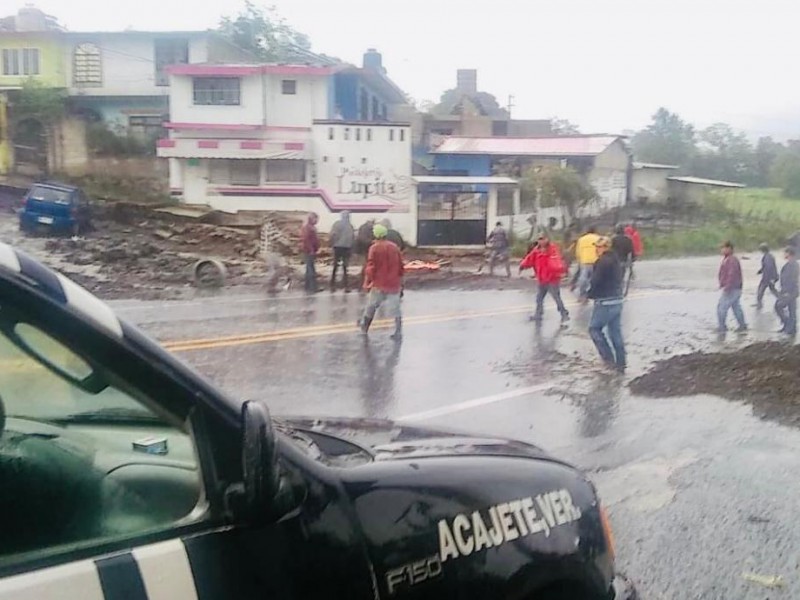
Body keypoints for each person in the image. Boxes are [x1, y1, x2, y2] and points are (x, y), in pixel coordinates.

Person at [359, 224, 404, 340]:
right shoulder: (394, 247)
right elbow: (401, 266)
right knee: (395, 308)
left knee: (371, 306)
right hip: (394, 283)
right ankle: (398, 331)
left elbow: (370, 268)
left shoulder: (374, 248)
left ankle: (365, 328)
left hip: (379, 283)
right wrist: (401, 282)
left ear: (375, 234)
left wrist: (367, 282)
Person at [587, 236, 626, 372]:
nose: (596, 249)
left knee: (594, 329)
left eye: (598, 247)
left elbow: (595, 280)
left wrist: (589, 294)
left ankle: (608, 360)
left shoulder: (602, 261)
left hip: (605, 301)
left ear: (605, 247)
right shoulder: (616, 260)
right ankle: (621, 363)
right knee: (615, 332)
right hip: (617, 299)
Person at [519, 235, 570, 323]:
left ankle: (564, 313)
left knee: (556, 298)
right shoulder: (536, 250)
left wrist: (563, 271)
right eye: (539, 239)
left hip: (552, 279)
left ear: (547, 239)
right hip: (542, 279)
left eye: (543, 239)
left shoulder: (552, 249)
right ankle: (538, 314)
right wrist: (522, 265)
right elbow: (529, 259)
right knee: (539, 298)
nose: (541, 241)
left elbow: (558, 262)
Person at [717, 241, 747, 333]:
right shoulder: (728, 259)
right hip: (735, 288)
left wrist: (727, 286)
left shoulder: (731, 260)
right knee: (736, 307)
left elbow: (731, 274)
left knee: (721, 307)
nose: (722, 250)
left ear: (729, 248)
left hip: (732, 288)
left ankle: (722, 327)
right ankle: (742, 325)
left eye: (723, 248)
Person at [329, 211, 355, 292]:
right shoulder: (350, 226)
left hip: (338, 247)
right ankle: (346, 286)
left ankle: (333, 285)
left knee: (336, 266)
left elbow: (332, 235)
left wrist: (332, 244)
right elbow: (352, 238)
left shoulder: (337, 224)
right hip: (346, 248)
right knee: (345, 267)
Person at [775, 246, 799, 335]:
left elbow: (792, 279)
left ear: (789, 253)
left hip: (790, 291)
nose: (784, 254)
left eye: (785, 252)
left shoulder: (793, 264)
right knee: (791, 309)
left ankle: (789, 326)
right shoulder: (790, 264)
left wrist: (786, 292)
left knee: (778, 306)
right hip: (789, 291)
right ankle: (790, 327)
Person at [574, 225, 601, 301]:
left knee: (583, 278)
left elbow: (578, 252)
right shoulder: (598, 238)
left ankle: (582, 294)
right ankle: (596, 294)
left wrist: (579, 259)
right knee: (595, 278)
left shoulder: (581, 239)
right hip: (596, 261)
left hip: (585, 261)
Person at [299, 212, 320, 293]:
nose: (317, 221)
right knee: (311, 269)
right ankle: (312, 287)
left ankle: (307, 286)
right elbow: (306, 240)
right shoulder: (308, 228)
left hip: (310, 250)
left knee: (309, 269)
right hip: (309, 251)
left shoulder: (309, 227)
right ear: (312, 218)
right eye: (316, 219)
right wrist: (311, 250)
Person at [755, 242, 779, 309]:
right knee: (773, 290)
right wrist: (760, 271)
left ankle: (759, 304)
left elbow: (769, 267)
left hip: (767, 278)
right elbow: (766, 267)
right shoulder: (769, 256)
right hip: (770, 277)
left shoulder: (767, 257)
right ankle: (782, 300)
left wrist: (770, 279)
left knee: (760, 290)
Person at [354, 219, 376, 292]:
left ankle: (365, 284)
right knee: (365, 268)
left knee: (367, 267)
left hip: (367, 250)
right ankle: (362, 285)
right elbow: (362, 239)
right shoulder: (365, 229)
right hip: (364, 250)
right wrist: (371, 241)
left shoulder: (367, 228)